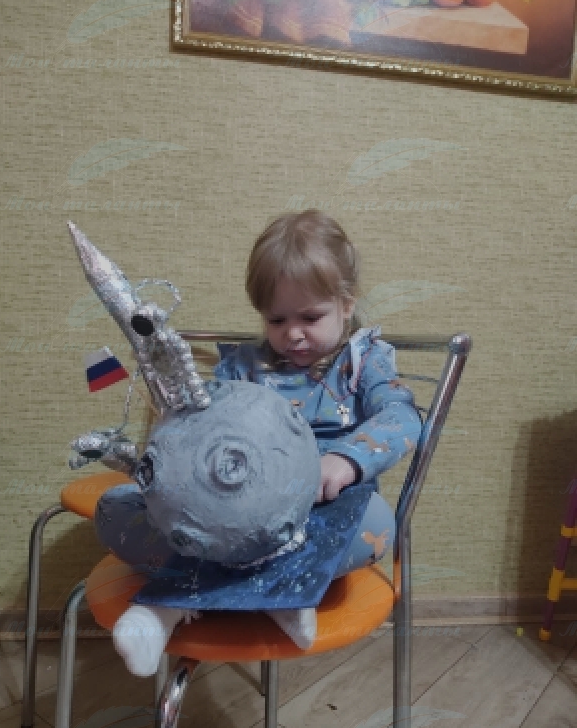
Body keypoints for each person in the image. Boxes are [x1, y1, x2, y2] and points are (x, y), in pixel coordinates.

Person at [96, 209, 421, 676]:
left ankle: (179, 604)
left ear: (346, 304)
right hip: (227, 516)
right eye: (277, 319)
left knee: (376, 524)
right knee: (115, 511)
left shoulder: (364, 361)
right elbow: (199, 431)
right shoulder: (242, 367)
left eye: (311, 317)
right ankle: (267, 595)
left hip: (321, 513)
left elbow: (401, 418)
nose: (293, 333)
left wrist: (346, 460)